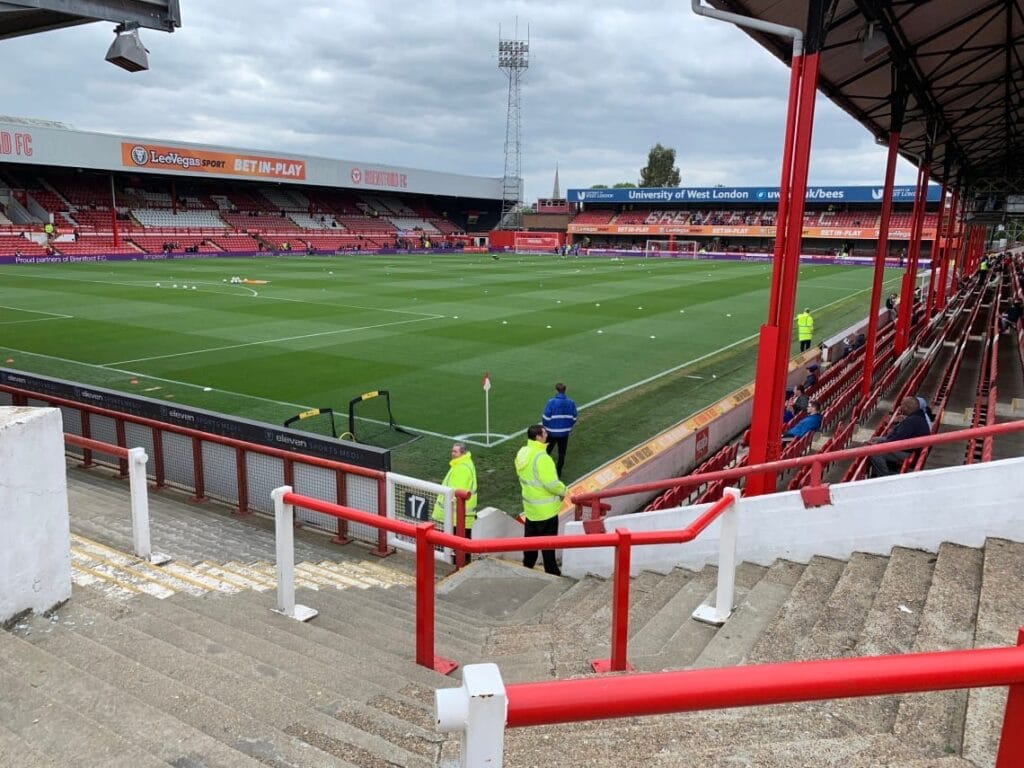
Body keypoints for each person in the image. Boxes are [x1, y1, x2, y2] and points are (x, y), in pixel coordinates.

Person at [515, 425, 566, 576]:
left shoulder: (522, 453)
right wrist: (564, 491)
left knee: (530, 543)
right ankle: (552, 572)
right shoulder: (543, 458)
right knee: (548, 546)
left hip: (530, 509)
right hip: (547, 511)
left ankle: (527, 567)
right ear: (538, 436)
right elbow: (552, 484)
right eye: (544, 433)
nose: (547, 435)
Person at [431, 442, 478, 562]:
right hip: (461, 514)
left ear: (462, 453)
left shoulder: (461, 468)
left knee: (459, 542)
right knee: (462, 540)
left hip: (458, 514)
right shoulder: (463, 464)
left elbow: (457, 492)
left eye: (455, 451)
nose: (452, 453)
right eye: (452, 451)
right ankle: (462, 562)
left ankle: (461, 563)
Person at [868, 396, 931, 477]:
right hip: (908, 448)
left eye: (902, 405)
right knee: (875, 439)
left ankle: (884, 476)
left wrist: (879, 444)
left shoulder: (912, 421)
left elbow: (895, 440)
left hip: (909, 452)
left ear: (907, 408)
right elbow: (895, 436)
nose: (900, 407)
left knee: (875, 452)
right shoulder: (917, 417)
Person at [541, 382, 578, 477]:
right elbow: (574, 417)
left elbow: (545, 417)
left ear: (556, 390)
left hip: (551, 432)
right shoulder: (571, 402)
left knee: (546, 452)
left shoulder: (551, 402)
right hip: (564, 433)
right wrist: (568, 427)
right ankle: (558, 472)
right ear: (565, 390)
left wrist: (547, 427)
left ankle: (544, 469)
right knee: (562, 453)